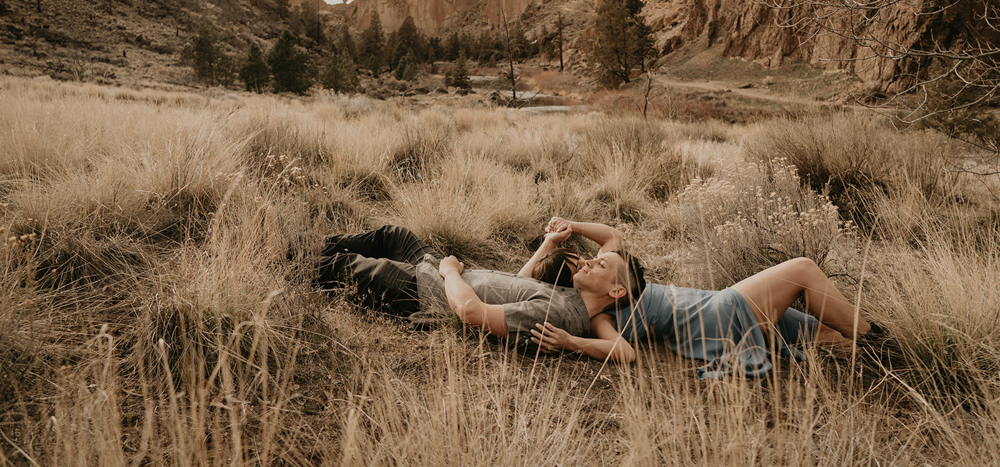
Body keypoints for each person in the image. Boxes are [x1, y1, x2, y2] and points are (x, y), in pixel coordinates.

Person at [525, 217, 880, 379]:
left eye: (591, 259)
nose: (587, 260)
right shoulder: (599, 314)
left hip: (722, 304)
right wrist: (572, 341)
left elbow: (613, 235)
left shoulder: (616, 279)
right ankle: (878, 340)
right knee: (802, 268)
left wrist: (562, 231)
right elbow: (625, 353)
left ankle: (886, 354)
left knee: (831, 338)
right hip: (723, 310)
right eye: (581, 266)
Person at [312, 221, 645, 359]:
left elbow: (472, 313)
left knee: (346, 265)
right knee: (394, 235)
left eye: (599, 265)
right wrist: (556, 236)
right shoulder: (572, 298)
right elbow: (612, 237)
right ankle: (304, 243)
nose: (588, 261)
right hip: (441, 271)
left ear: (616, 291)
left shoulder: (557, 315)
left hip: (427, 291)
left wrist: (449, 272)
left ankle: (287, 252)